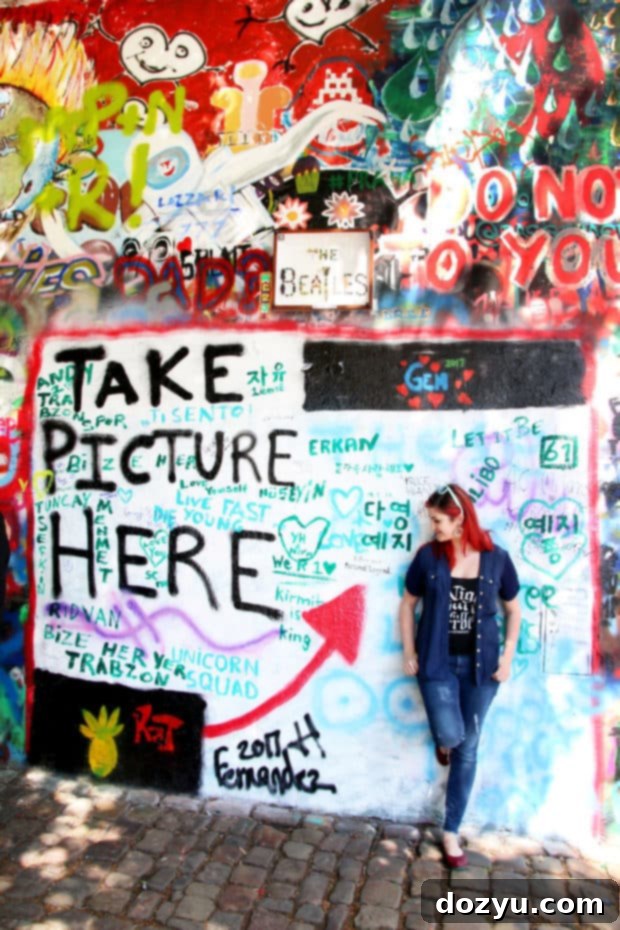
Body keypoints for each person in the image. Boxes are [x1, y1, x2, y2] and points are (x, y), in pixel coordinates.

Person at [398, 483, 521, 868]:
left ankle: (451, 830)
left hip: (482, 669)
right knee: (453, 735)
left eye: (438, 521)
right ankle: (446, 741)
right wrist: (409, 651)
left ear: (459, 519)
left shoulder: (497, 559)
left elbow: (514, 610)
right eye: (432, 521)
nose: (433, 527)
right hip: (436, 663)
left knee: (468, 748)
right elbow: (407, 604)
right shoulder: (428, 557)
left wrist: (508, 656)